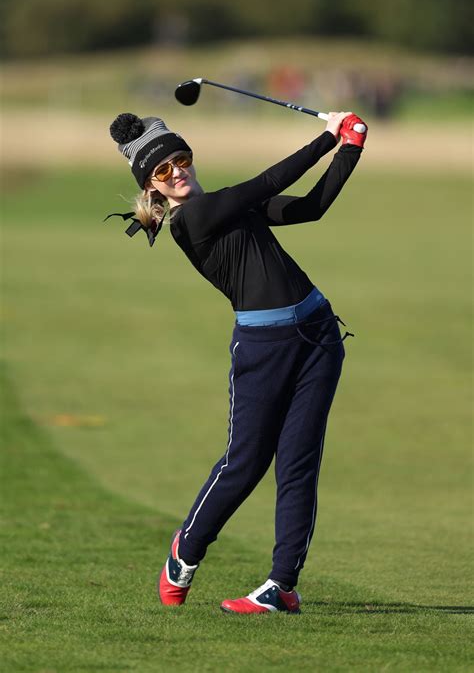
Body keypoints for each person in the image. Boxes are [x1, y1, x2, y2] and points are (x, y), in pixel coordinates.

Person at [107, 109, 367, 615]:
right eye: (163, 171)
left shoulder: (225, 205)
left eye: (181, 160)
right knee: (245, 462)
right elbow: (267, 180)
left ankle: (281, 585)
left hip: (318, 335)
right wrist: (327, 137)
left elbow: (311, 207)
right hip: (263, 349)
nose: (177, 171)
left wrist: (351, 150)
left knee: (299, 462)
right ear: (153, 187)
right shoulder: (194, 218)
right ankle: (186, 550)